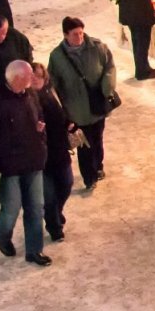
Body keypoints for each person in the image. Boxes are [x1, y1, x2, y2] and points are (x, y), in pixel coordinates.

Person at [0, 60, 51, 266]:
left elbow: (38, 113)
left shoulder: (30, 93)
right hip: (6, 166)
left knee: (35, 207)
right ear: (16, 79)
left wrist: (40, 130)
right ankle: (2, 235)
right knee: (12, 208)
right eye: (28, 77)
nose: (32, 81)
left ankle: (34, 250)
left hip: (33, 160)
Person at [48, 17, 115, 191]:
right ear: (65, 35)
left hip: (97, 104)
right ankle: (89, 176)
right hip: (75, 108)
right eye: (75, 34)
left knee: (97, 138)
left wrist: (108, 86)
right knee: (84, 143)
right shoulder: (57, 56)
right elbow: (53, 81)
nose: (79, 37)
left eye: (81, 33)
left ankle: (98, 166)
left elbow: (109, 66)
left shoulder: (97, 47)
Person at [32, 62, 71, 243]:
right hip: (41, 158)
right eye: (31, 77)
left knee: (66, 184)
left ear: (44, 77)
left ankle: (56, 213)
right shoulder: (26, 100)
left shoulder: (52, 93)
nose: (35, 80)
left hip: (60, 151)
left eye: (38, 76)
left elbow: (64, 113)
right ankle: (54, 227)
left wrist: (70, 122)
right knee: (49, 196)